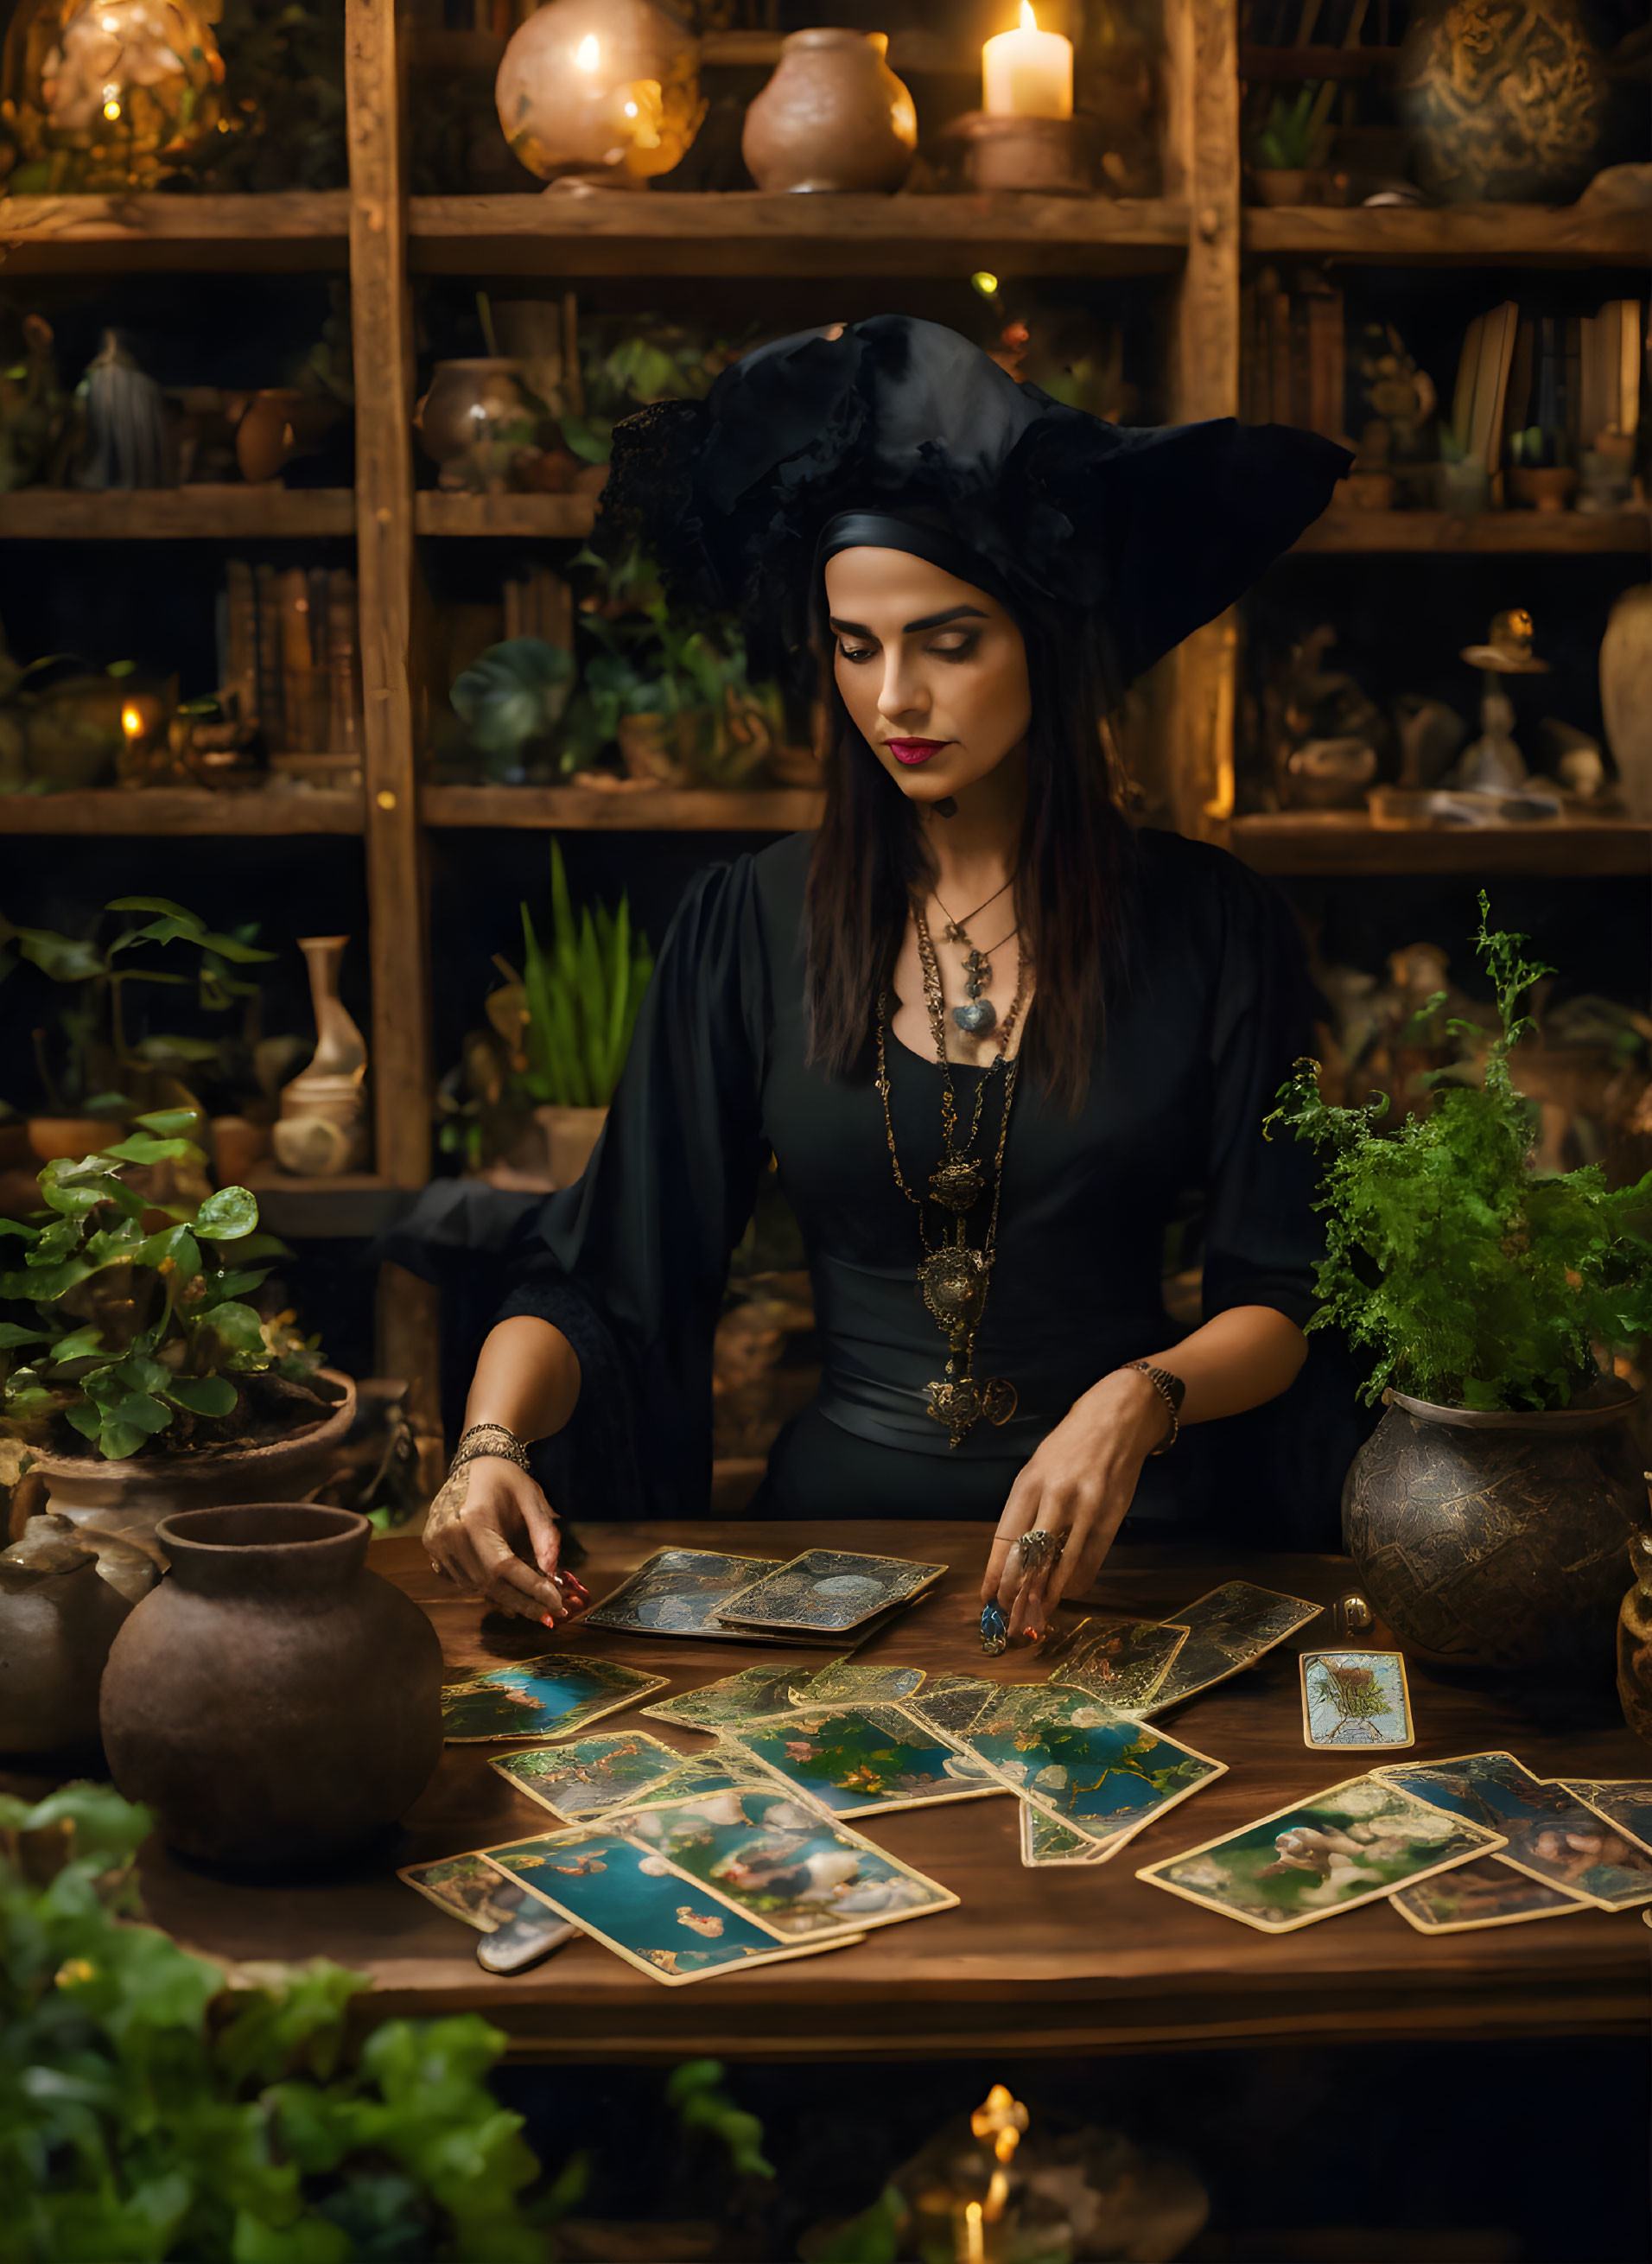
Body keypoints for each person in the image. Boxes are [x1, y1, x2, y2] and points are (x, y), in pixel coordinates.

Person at [407, 316, 1350, 1645]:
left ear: (1043, 638)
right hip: (825, 1560)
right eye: (858, 646)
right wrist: (487, 1442)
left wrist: (1138, 1398)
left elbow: (1285, 1291)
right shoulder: (749, 922)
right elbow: (606, 1275)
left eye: (948, 642)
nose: (895, 695)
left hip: (1136, 1558)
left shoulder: (1214, 926)